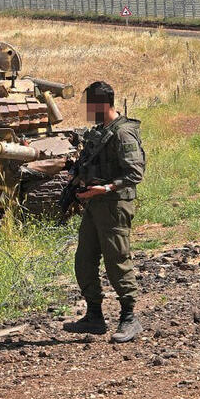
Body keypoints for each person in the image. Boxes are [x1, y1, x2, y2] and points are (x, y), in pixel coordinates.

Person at [64, 81, 145, 343]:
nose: (87, 111)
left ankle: (129, 318)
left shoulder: (122, 134)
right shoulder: (99, 132)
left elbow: (135, 173)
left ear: (101, 105)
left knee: (117, 261)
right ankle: (94, 316)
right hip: (94, 204)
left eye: (90, 105)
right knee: (84, 261)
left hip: (114, 205)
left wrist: (105, 188)